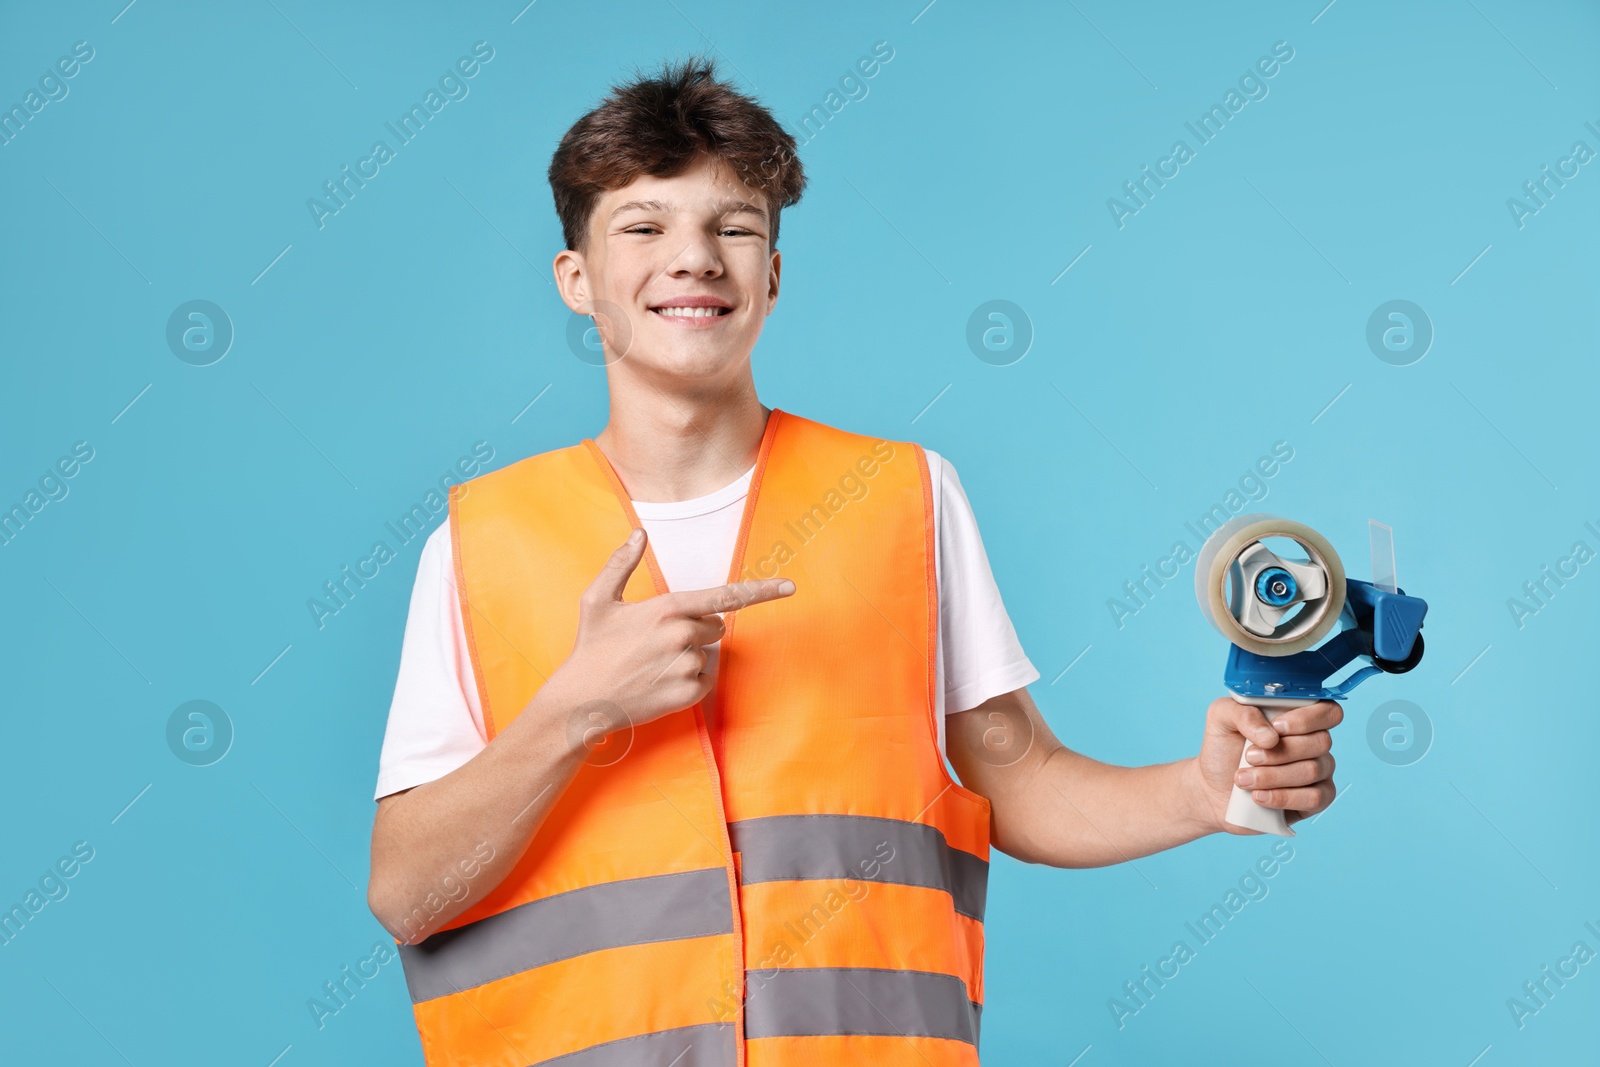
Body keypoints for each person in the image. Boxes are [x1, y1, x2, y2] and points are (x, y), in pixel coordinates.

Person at [366, 55, 1341, 1066]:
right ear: (578, 280)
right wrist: (578, 709)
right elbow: (407, 894)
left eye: (733, 226)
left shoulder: (904, 497)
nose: (692, 257)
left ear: (772, 275)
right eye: (643, 226)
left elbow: (1024, 779)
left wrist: (1206, 788)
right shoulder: (483, 542)